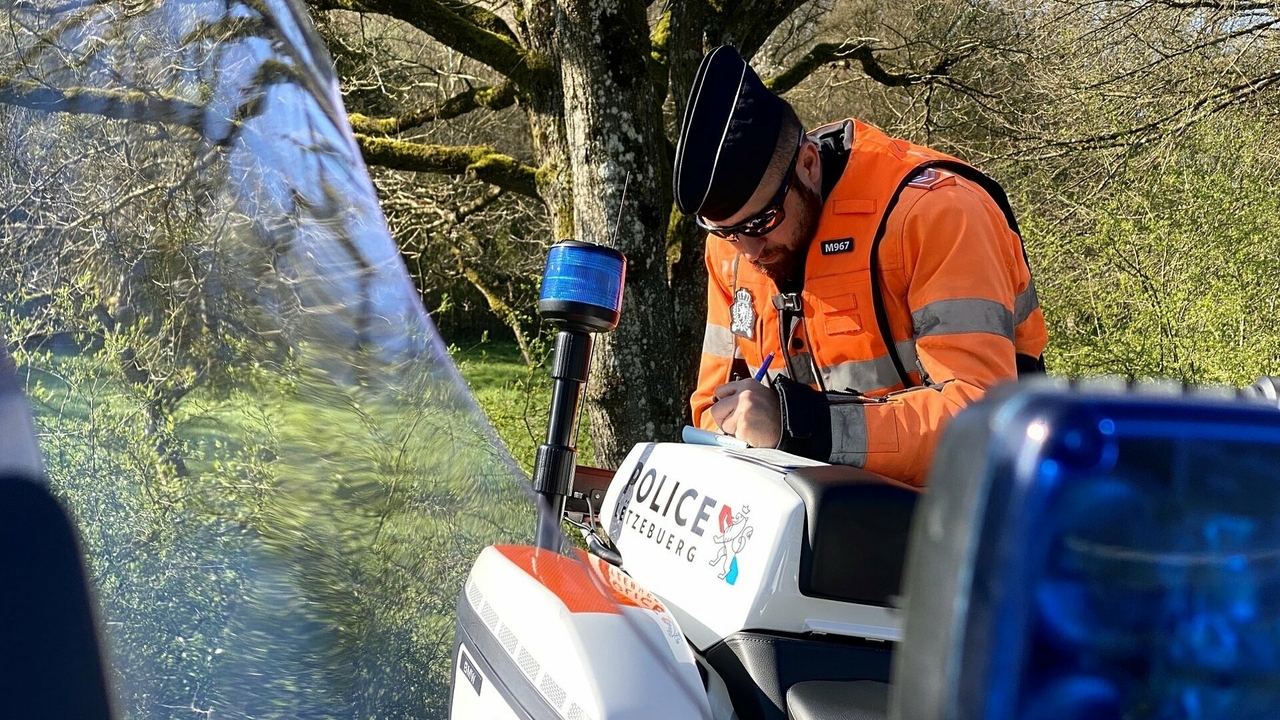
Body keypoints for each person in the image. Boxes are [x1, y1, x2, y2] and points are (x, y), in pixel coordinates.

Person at [674, 46, 1048, 487]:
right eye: (728, 232)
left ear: (808, 165)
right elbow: (712, 410)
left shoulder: (940, 213)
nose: (750, 250)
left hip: (970, 515)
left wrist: (800, 425)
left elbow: (982, 426)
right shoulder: (729, 252)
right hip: (820, 518)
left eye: (763, 222)